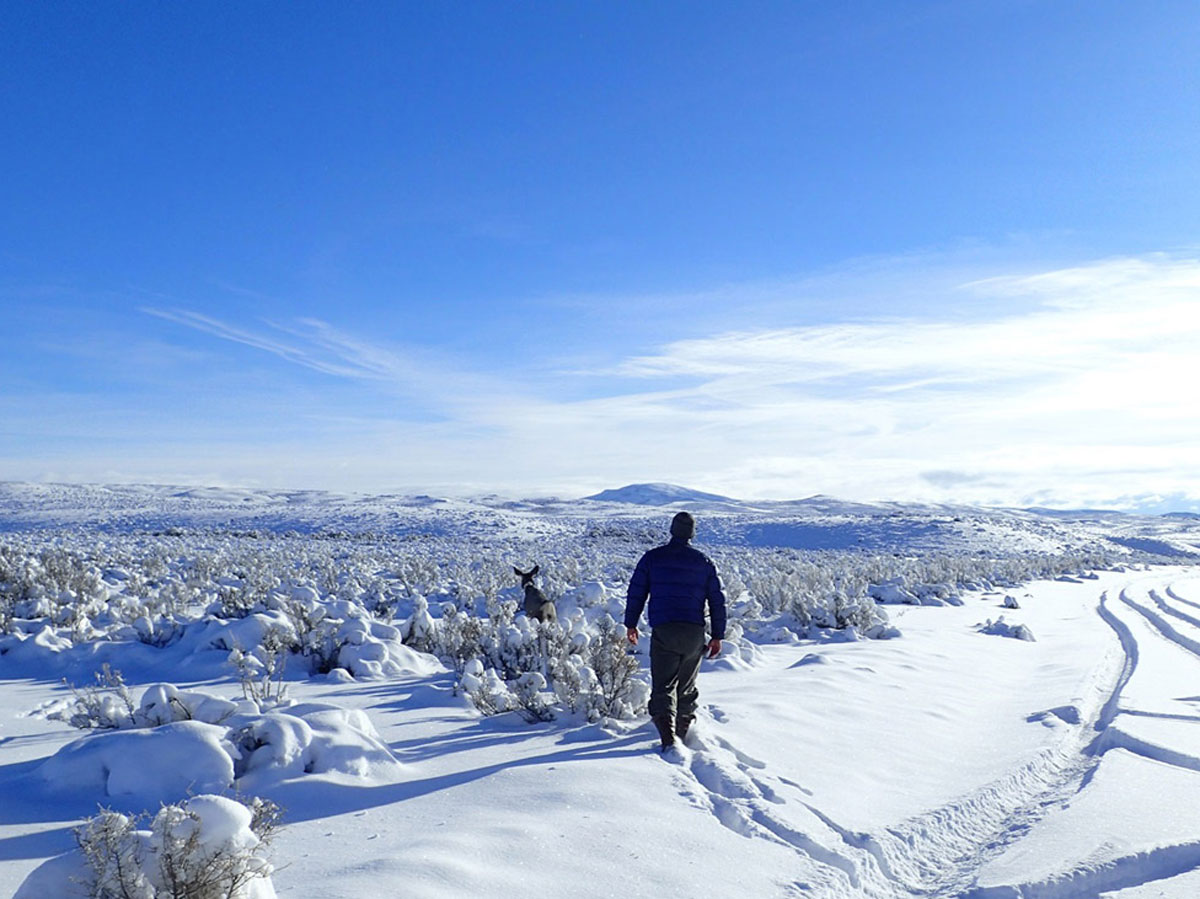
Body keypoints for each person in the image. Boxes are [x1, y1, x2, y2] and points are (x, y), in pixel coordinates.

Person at [624, 511, 726, 751]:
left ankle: (669, 740)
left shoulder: (652, 558)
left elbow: (636, 592)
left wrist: (631, 623)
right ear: (692, 533)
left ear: (672, 530)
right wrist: (718, 635)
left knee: (663, 685)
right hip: (694, 631)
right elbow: (717, 601)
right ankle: (680, 733)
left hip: (664, 628)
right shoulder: (703, 562)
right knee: (686, 686)